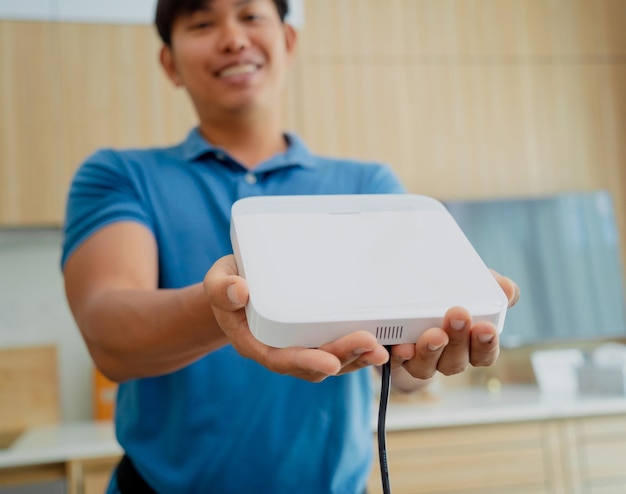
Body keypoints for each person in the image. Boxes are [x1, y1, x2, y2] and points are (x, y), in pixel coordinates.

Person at [61, 0, 519, 493]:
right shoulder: (120, 176)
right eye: (201, 23)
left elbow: (405, 368)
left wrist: (424, 353)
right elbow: (108, 334)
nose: (233, 38)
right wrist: (226, 308)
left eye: (251, 16)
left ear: (289, 40)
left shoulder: (368, 185)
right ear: (170, 63)